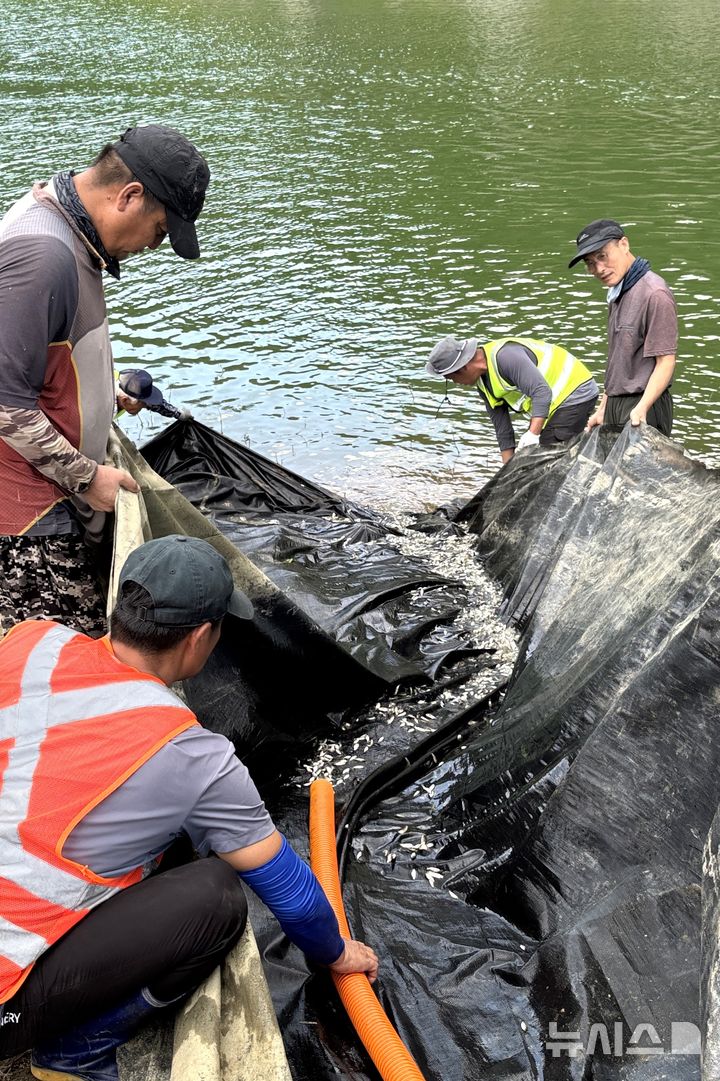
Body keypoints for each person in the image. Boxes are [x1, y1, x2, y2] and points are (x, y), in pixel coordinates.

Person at [0, 535, 378, 1081]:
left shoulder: (33, 641)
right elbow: (291, 893)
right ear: (202, 636)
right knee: (214, 897)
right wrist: (337, 953)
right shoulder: (190, 753)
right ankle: (76, 1053)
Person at [0, 125, 210, 638]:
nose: (154, 246)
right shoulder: (44, 256)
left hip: (54, 501)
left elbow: (43, 365)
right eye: (159, 230)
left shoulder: (69, 232)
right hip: (29, 523)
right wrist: (87, 478)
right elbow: (5, 403)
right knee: (69, 663)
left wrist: (104, 395)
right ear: (129, 196)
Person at [568, 219, 678, 435]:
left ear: (624, 245)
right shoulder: (618, 291)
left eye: (602, 256)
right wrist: (603, 408)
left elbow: (666, 361)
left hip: (645, 404)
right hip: (615, 403)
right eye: (590, 263)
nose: (598, 269)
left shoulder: (655, 294)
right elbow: (618, 359)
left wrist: (642, 408)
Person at [426, 335, 598, 463]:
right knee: (533, 460)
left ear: (463, 367)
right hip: (554, 406)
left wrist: (532, 434)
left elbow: (542, 392)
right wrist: (507, 471)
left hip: (575, 391)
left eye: (451, 378)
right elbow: (503, 430)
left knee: (546, 456)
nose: (455, 383)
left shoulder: (506, 357)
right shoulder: (483, 384)